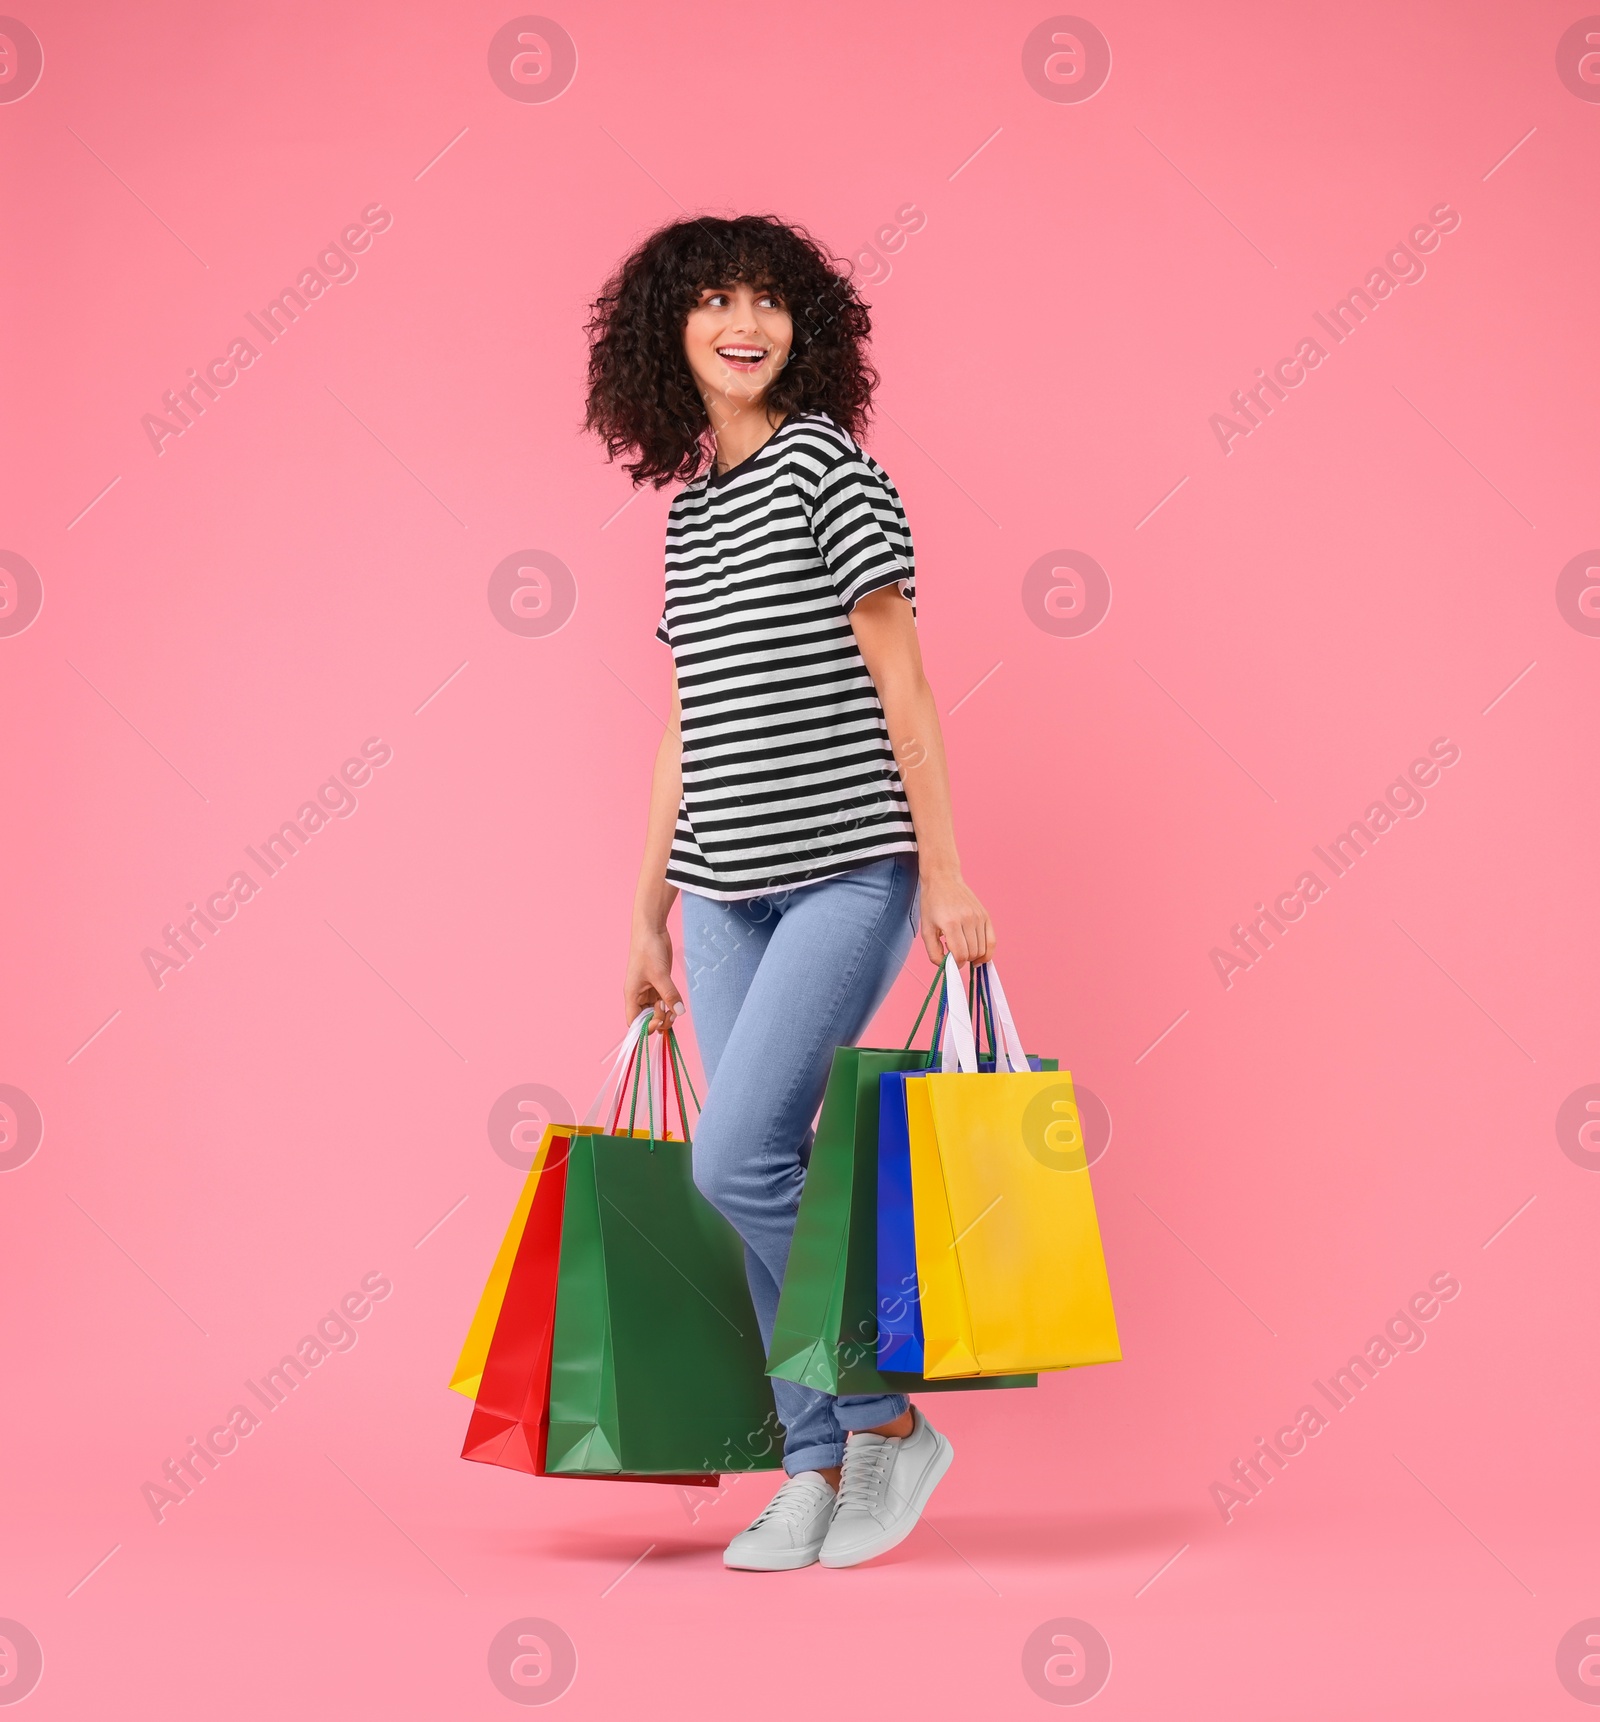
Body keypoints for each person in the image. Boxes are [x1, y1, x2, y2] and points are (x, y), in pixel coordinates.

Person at [585, 214, 994, 1571]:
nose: (744, 323)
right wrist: (644, 910)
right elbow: (682, 727)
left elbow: (906, 679)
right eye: (713, 302)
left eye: (769, 300)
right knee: (762, 1162)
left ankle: (881, 1425)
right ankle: (811, 1467)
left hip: (845, 867)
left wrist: (946, 873)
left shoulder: (835, 473)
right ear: (670, 335)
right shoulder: (692, 516)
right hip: (721, 884)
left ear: (805, 325)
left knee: (738, 1155)